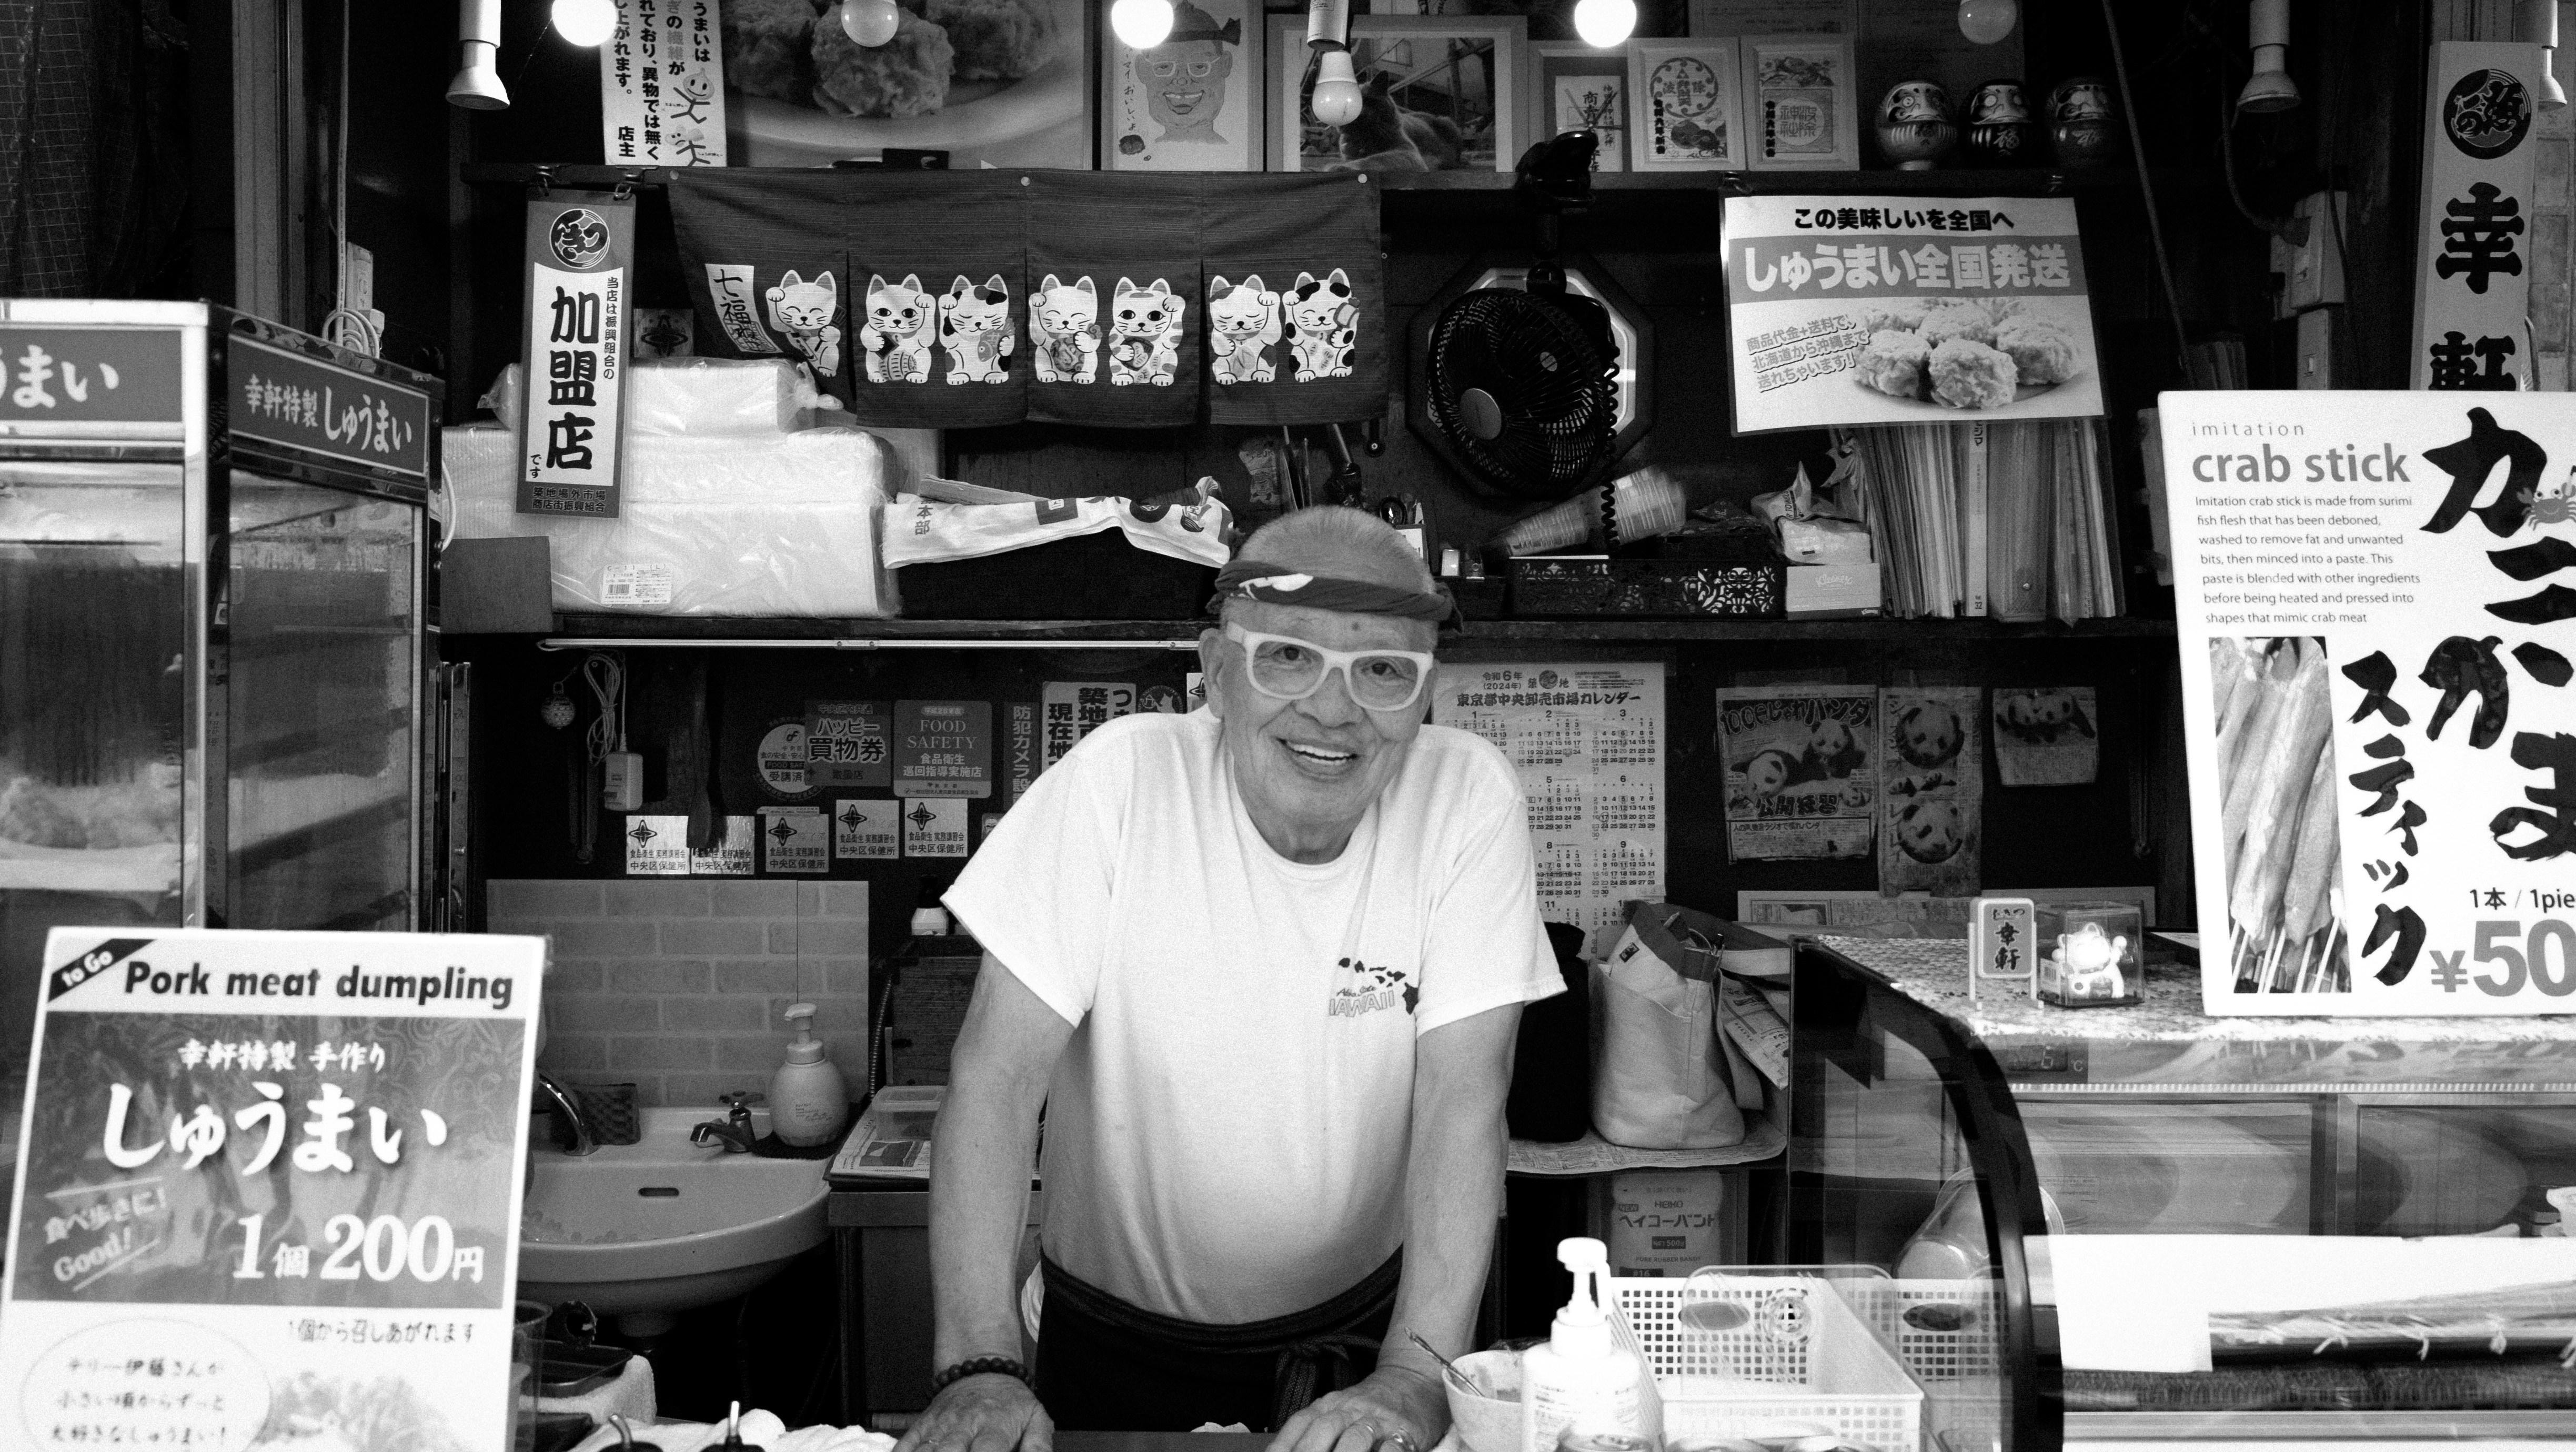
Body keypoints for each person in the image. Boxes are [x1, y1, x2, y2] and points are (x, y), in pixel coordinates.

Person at [902, 507, 1559, 1452]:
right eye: (1287, 658)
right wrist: (980, 1367)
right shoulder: (1120, 786)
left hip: (1363, 1341)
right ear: (1214, 672)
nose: (1333, 712)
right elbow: (997, 1083)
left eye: (1381, 671)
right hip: (1108, 1343)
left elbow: (1466, 1099)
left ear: (1423, 699)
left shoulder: (1467, 801)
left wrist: (1416, 1376)